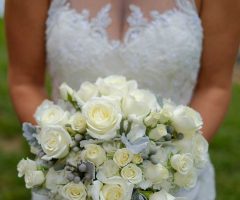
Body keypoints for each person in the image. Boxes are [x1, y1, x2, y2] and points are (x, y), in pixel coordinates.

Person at [5, 0, 240, 199]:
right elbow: (25, 83)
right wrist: (70, 156)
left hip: (173, 184)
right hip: (71, 180)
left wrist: (162, 167)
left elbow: (214, 88)